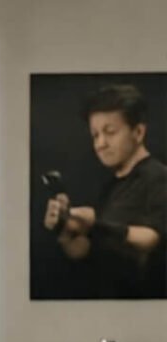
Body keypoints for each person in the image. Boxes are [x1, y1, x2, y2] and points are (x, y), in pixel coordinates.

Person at [43, 83, 167, 298]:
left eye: (110, 132)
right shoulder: (110, 186)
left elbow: (151, 238)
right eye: (95, 135)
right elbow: (86, 250)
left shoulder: (159, 177)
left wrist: (95, 224)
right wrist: (66, 230)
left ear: (138, 132)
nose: (100, 144)